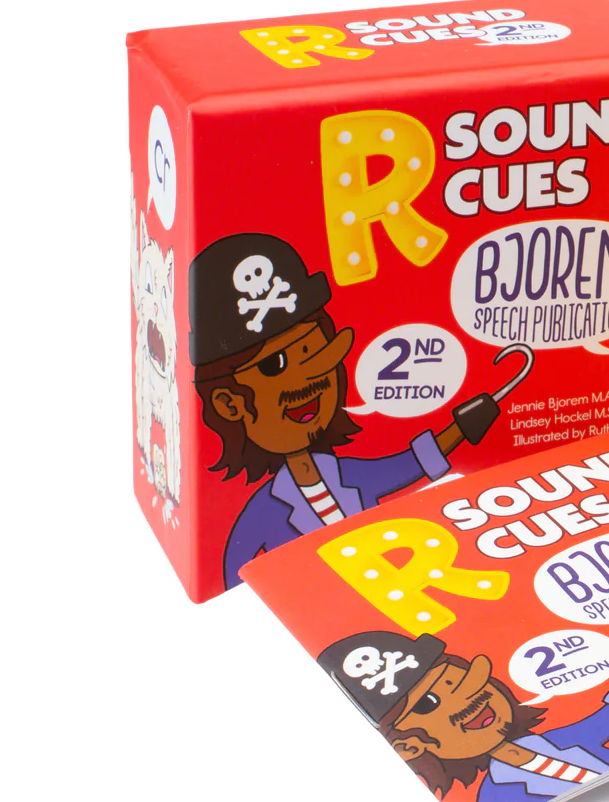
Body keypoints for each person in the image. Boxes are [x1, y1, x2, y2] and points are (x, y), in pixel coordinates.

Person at [188, 232, 525, 589]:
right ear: (230, 404)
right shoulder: (263, 511)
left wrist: (464, 425)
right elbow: (231, 583)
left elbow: (408, 465)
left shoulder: (347, 474)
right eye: (276, 365)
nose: (311, 383)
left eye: (315, 354)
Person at [318, 618, 609, 802]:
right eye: (429, 704)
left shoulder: (561, 740)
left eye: (465, 682)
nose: (473, 700)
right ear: (410, 747)